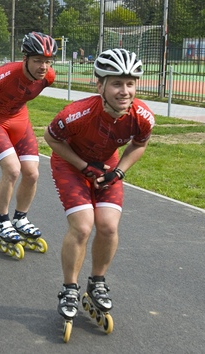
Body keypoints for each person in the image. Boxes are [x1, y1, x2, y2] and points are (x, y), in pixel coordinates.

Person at [45, 49, 154, 326]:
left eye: (130, 83)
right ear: (100, 85)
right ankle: (70, 289)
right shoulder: (76, 114)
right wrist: (83, 166)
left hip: (107, 166)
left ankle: (97, 283)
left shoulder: (142, 116)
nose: (124, 91)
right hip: (71, 163)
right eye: (117, 83)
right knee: (82, 226)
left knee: (107, 226)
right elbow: (50, 138)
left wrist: (119, 171)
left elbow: (139, 145)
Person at [0, 31, 57, 258]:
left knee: (32, 173)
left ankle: (21, 218)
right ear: (25, 59)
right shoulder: (2, 75)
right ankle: (2, 221)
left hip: (19, 119)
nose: (43, 67)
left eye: (47, 61)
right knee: (13, 170)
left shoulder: (48, 77)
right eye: (38, 61)